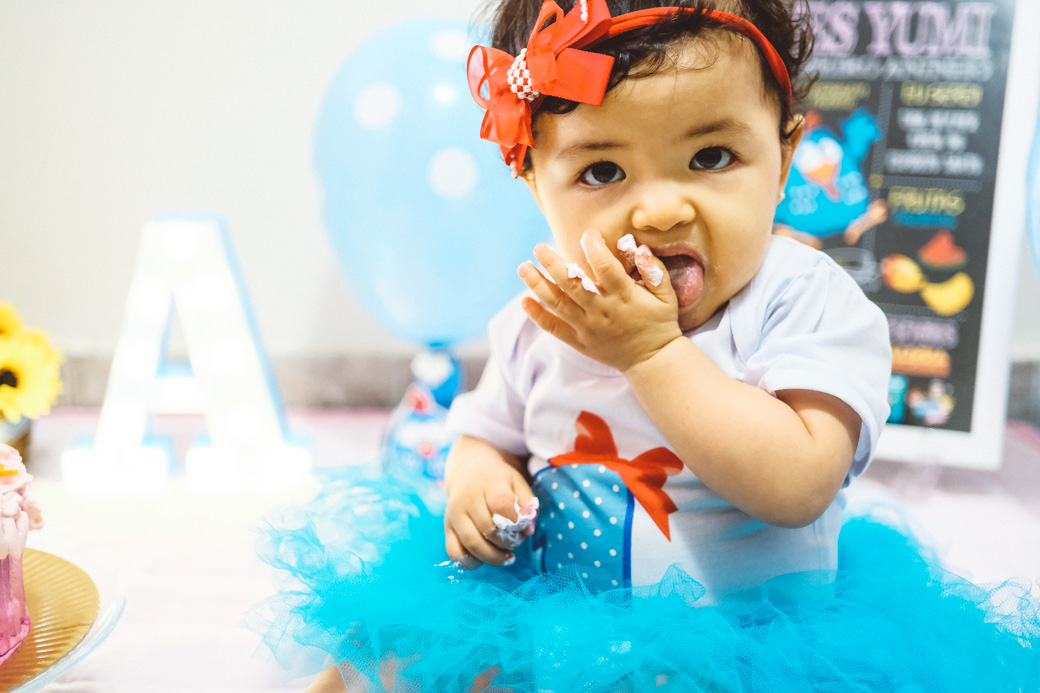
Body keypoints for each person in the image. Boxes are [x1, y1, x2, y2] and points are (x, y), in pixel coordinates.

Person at [259, 1, 1039, 690]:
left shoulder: (802, 301)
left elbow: (798, 480)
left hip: (745, 646)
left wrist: (652, 354)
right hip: (558, 629)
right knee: (381, 652)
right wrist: (478, 484)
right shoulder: (545, 315)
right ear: (534, 182)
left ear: (785, 157)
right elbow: (485, 434)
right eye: (602, 169)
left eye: (711, 157)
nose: (661, 209)